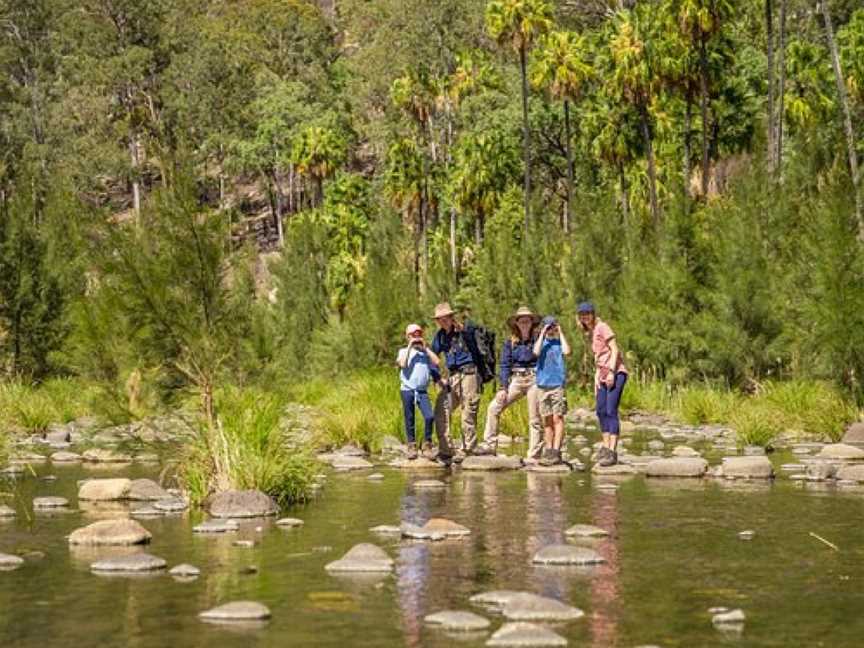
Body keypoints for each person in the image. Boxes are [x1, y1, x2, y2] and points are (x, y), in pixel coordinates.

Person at [477, 306, 543, 460]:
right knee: (494, 407)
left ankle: (534, 455)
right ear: (517, 323)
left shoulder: (538, 339)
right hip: (517, 379)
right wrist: (502, 388)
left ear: (532, 322)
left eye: (528, 320)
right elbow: (505, 365)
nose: (525, 323)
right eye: (521, 320)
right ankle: (489, 445)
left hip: (534, 379)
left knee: (535, 418)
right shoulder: (510, 342)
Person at [577, 302, 628, 467]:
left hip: (616, 373)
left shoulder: (602, 326)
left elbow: (614, 350)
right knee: (600, 410)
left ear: (593, 313)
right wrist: (596, 378)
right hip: (602, 376)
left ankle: (612, 451)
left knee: (610, 410)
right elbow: (598, 358)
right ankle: (605, 446)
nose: (584, 317)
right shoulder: (592, 332)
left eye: (587, 313)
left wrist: (612, 372)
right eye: (581, 315)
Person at [431, 302, 483, 458]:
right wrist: (437, 377)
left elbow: (475, 338)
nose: (443, 321)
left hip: (469, 373)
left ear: (451, 317)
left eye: (445, 318)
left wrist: (464, 329)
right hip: (452, 376)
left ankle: (469, 448)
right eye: (440, 319)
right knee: (441, 410)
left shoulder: (464, 330)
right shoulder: (440, 336)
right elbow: (432, 357)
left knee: (468, 411)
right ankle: (446, 449)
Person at [397, 323, 440, 460]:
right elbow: (402, 364)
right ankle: (411, 446)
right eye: (413, 335)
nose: (416, 337)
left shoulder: (425, 353)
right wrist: (410, 346)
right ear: (407, 336)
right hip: (407, 390)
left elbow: (437, 362)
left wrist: (425, 347)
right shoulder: (403, 351)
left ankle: (427, 445)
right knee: (409, 418)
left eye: (419, 334)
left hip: (422, 391)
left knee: (429, 416)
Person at [533, 316, 571, 466]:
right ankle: (549, 449)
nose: (550, 330)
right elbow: (535, 352)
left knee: (558, 418)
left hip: (557, 385)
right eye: (548, 327)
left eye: (552, 327)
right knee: (546, 419)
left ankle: (556, 449)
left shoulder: (558, 343)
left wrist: (560, 332)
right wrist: (542, 333)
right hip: (543, 385)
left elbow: (567, 352)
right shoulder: (541, 343)